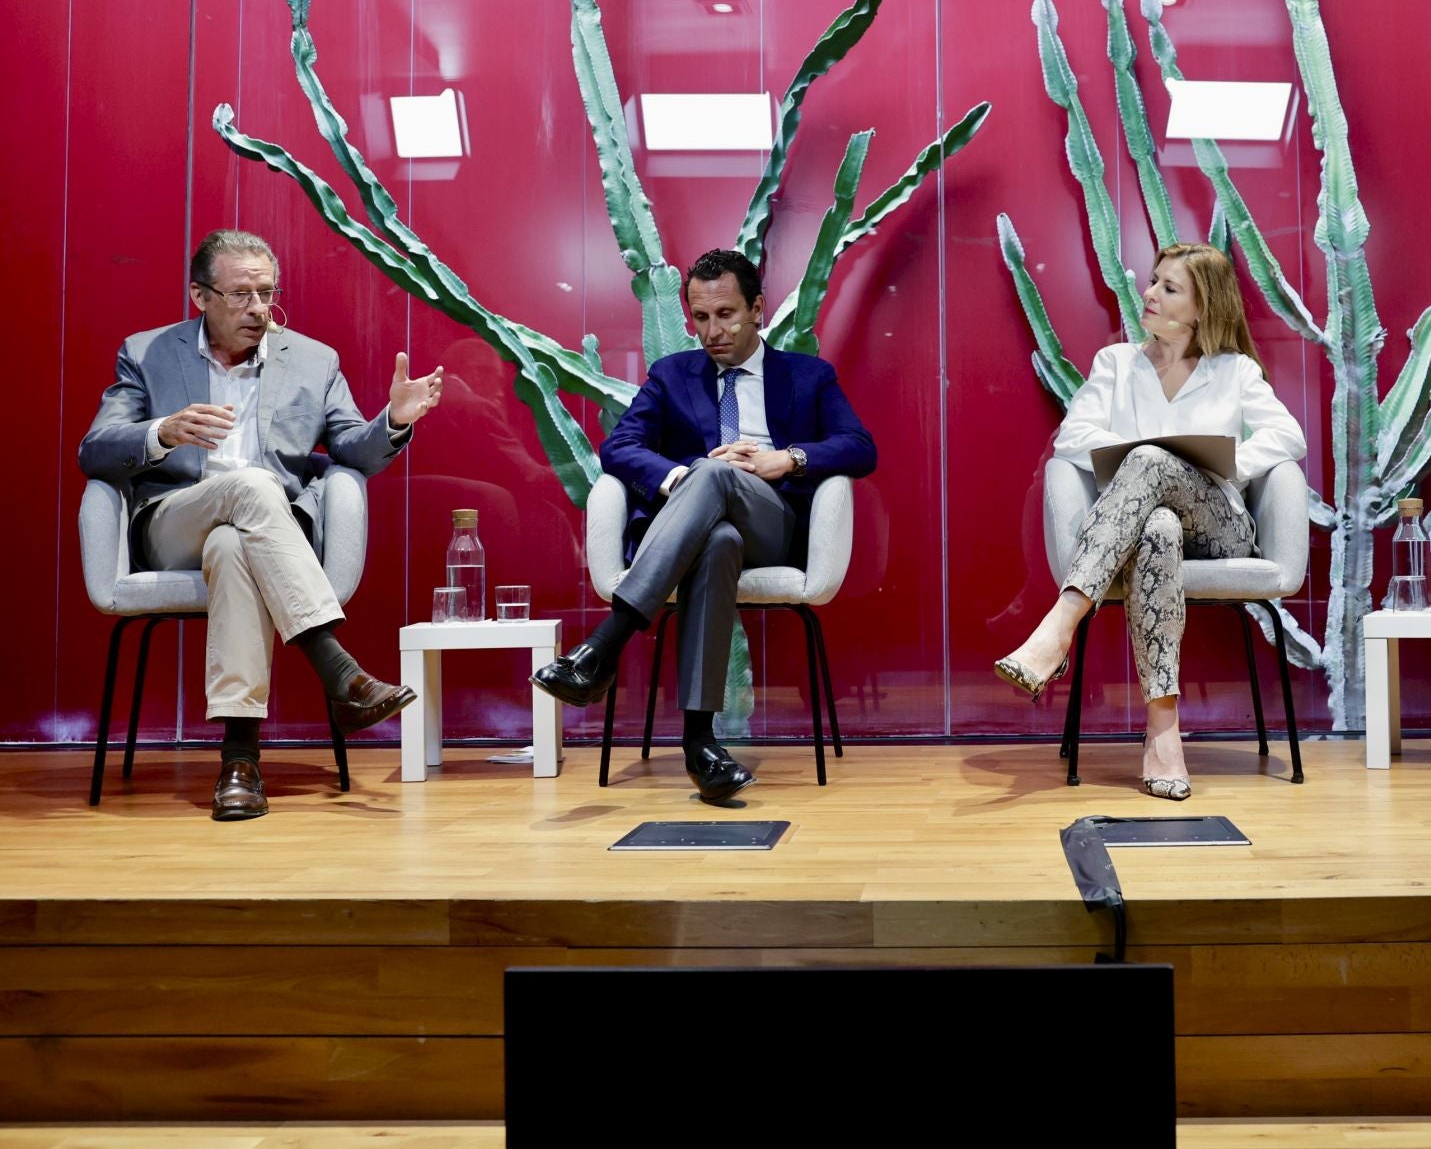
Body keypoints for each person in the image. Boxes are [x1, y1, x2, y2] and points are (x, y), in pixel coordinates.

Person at [79, 229, 445, 821]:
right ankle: (336, 667)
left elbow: (352, 450)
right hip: (174, 523)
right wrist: (161, 432)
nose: (258, 310)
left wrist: (394, 421)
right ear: (200, 296)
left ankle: (240, 762)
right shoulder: (147, 352)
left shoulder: (313, 359)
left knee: (234, 543)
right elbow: (94, 450)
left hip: (263, 534)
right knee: (248, 488)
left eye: (267, 294)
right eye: (241, 295)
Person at [533, 249, 878, 801]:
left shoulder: (807, 376)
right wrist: (680, 479)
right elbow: (618, 447)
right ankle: (702, 745)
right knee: (717, 534)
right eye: (700, 318)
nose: (712, 331)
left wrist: (785, 459)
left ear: (758, 309)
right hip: (699, 532)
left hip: (774, 524)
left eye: (726, 314)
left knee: (717, 477)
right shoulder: (673, 376)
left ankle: (605, 643)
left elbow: (860, 448)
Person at [995, 242, 1307, 800]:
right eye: (1154, 281)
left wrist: (1221, 465)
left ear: (1201, 307)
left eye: (1169, 287)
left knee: (1150, 463)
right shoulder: (1115, 363)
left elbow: (1288, 437)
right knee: (1156, 524)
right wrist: (1147, 459)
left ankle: (1059, 626)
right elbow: (1073, 438)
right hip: (1142, 530)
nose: (1150, 294)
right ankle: (1164, 732)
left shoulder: (1234, 371)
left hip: (1219, 528)